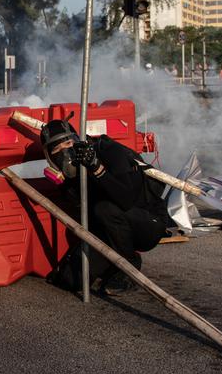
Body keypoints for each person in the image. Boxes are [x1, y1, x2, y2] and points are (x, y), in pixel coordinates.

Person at [40, 119, 176, 295]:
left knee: (104, 209)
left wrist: (97, 168)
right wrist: (65, 185)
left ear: (77, 139)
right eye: (56, 150)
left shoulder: (109, 151)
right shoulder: (69, 176)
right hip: (111, 231)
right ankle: (112, 265)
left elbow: (126, 199)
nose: (64, 152)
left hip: (146, 221)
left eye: (68, 143)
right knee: (70, 279)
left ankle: (130, 265)